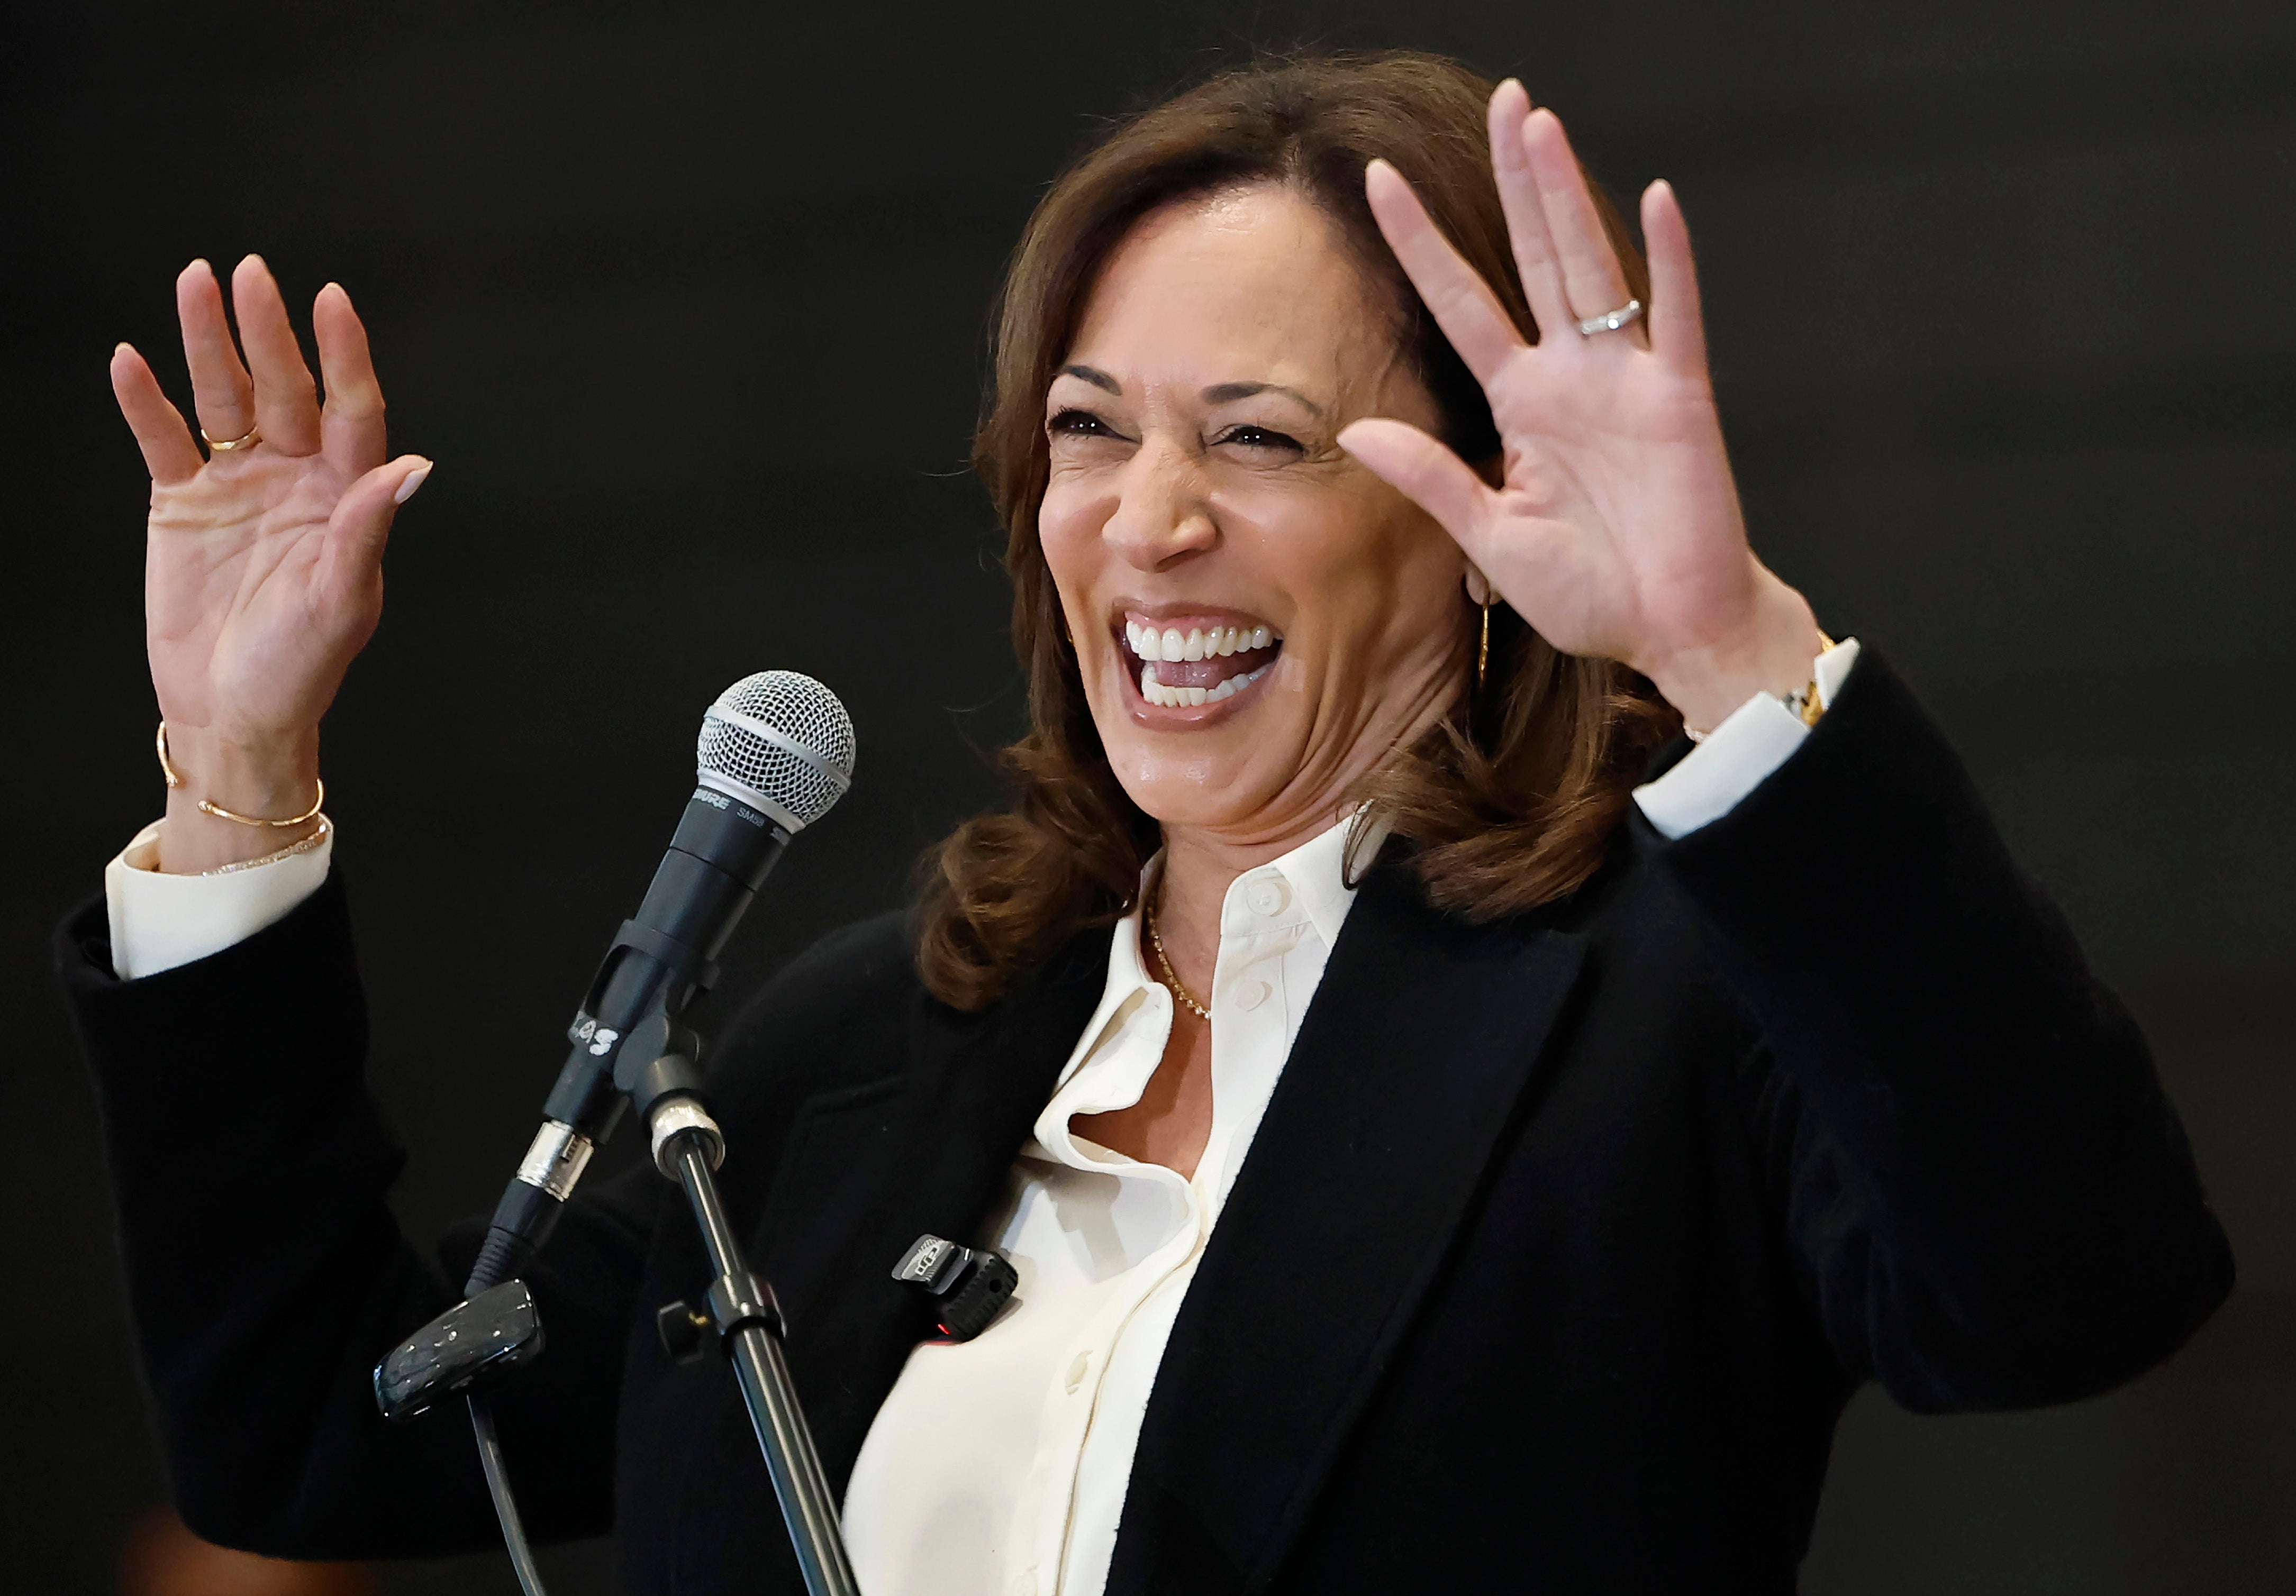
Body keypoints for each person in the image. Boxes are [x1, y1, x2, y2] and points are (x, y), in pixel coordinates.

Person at [59, 51, 2230, 1595]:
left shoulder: (1668, 1011)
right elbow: (318, 1438)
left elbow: (2067, 1284)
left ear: (1481, 518)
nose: (1152, 521)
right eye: (1089, 432)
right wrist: (233, 768)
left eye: (1261, 437)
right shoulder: (868, 1045)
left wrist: (1721, 641)